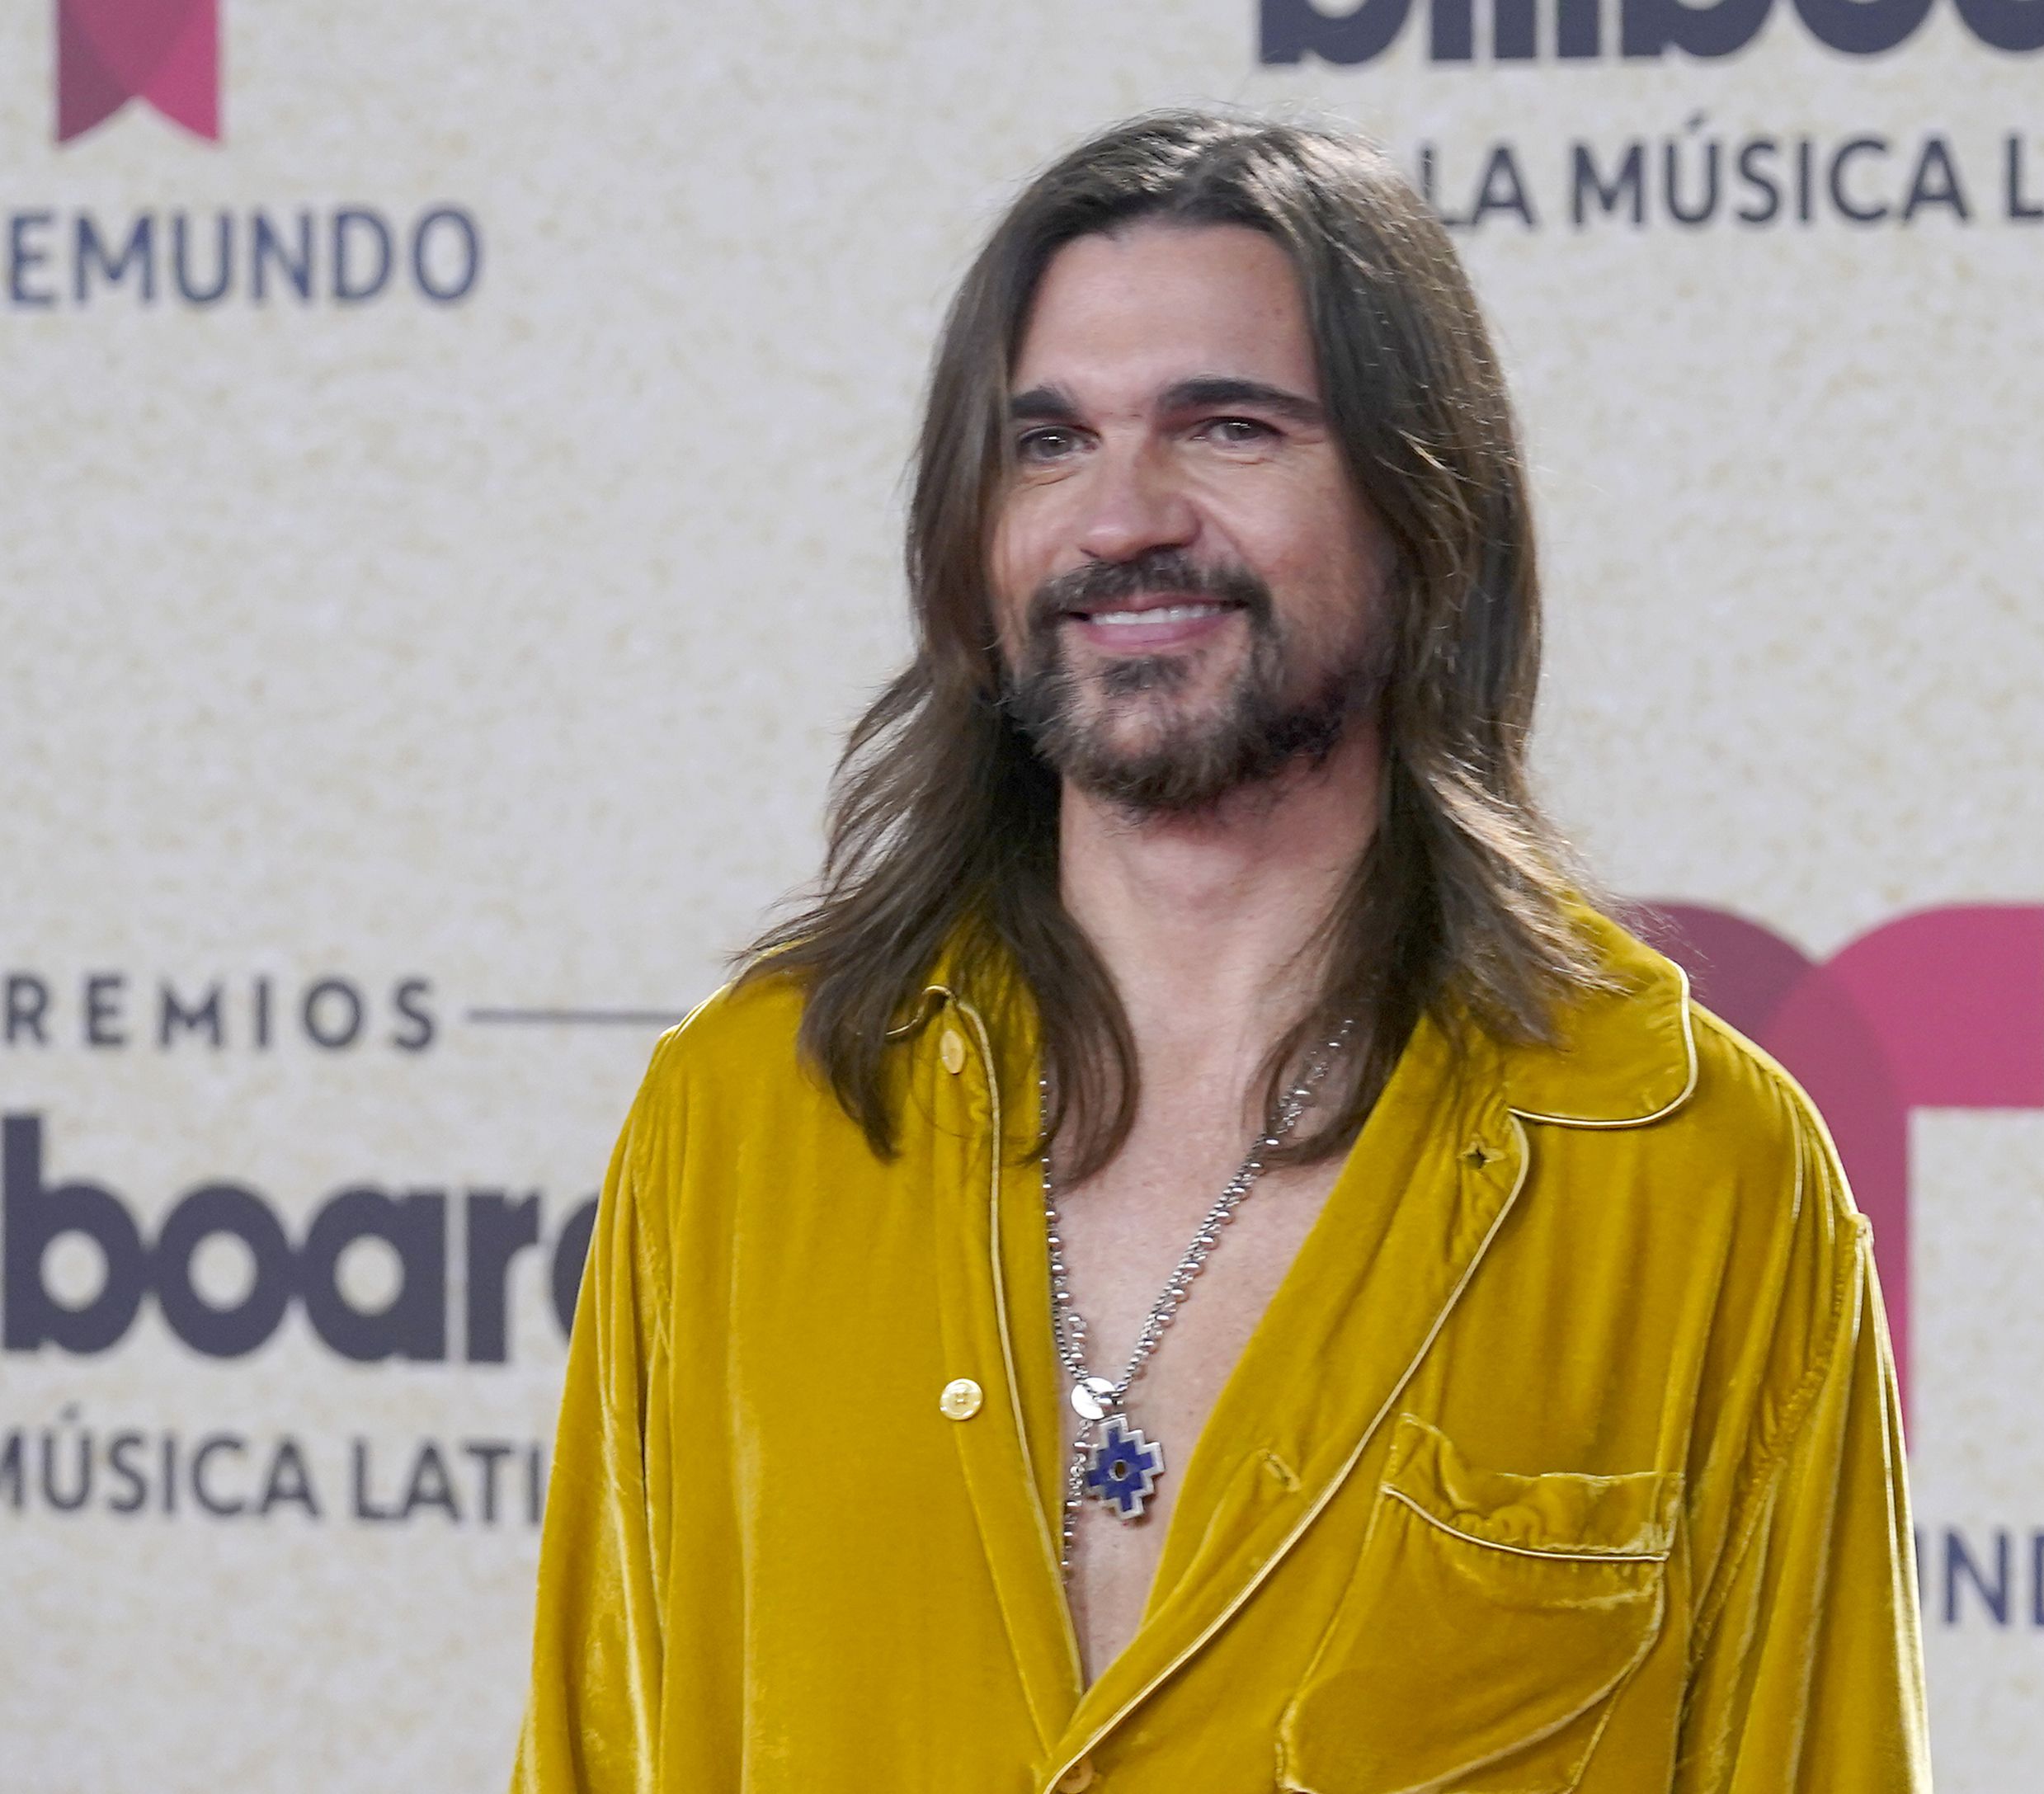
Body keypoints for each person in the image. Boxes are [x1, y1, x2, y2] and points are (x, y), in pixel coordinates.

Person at [514, 109, 1929, 1792]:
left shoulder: (1697, 1177)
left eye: (1227, 427)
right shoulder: (748, 1112)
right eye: (1048, 444)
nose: (1120, 517)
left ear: (1424, 511)